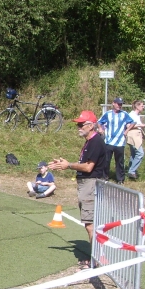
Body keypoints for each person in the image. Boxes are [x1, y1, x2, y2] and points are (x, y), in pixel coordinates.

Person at [48, 110, 108, 269]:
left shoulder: (95, 142)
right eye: (78, 124)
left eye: (82, 124)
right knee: (89, 223)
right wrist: (63, 164)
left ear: (91, 125)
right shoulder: (90, 141)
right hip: (87, 184)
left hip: (91, 184)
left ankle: (97, 260)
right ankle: (96, 258)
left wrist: (69, 165)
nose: (79, 127)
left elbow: (88, 167)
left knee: (90, 224)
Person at [98, 97, 134, 184]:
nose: (119, 105)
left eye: (121, 104)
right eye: (118, 104)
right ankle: (105, 176)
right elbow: (99, 122)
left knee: (120, 161)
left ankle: (120, 179)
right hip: (108, 141)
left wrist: (126, 130)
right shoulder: (108, 114)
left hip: (120, 142)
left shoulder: (124, 114)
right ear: (113, 103)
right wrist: (100, 129)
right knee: (106, 160)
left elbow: (132, 122)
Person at [126, 99, 145, 180]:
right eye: (142, 106)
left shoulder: (137, 116)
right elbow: (128, 125)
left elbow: (139, 127)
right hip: (133, 135)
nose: (143, 107)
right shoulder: (131, 115)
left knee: (134, 154)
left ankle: (130, 172)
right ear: (137, 106)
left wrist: (144, 137)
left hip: (137, 135)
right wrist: (140, 125)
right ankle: (131, 171)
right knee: (140, 153)